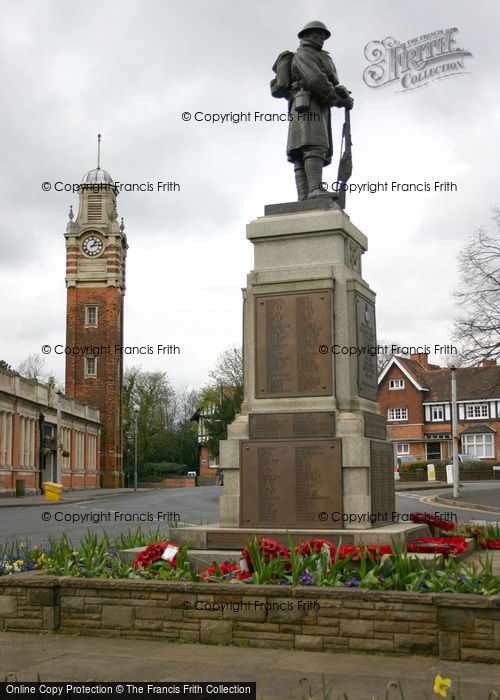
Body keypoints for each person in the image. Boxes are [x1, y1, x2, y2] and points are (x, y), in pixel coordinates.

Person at [281, 21, 353, 200]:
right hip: (308, 105)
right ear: (305, 36)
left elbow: (323, 81)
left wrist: (339, 91)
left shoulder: (315, 54)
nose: (320, 38)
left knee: (302, 149)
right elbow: (315, 80)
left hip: (307, 106)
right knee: (314, 145)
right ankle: (314, 190)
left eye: (323, 35)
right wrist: (338, 100)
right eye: (316, 34)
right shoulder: (305, 54)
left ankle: (305, 196)